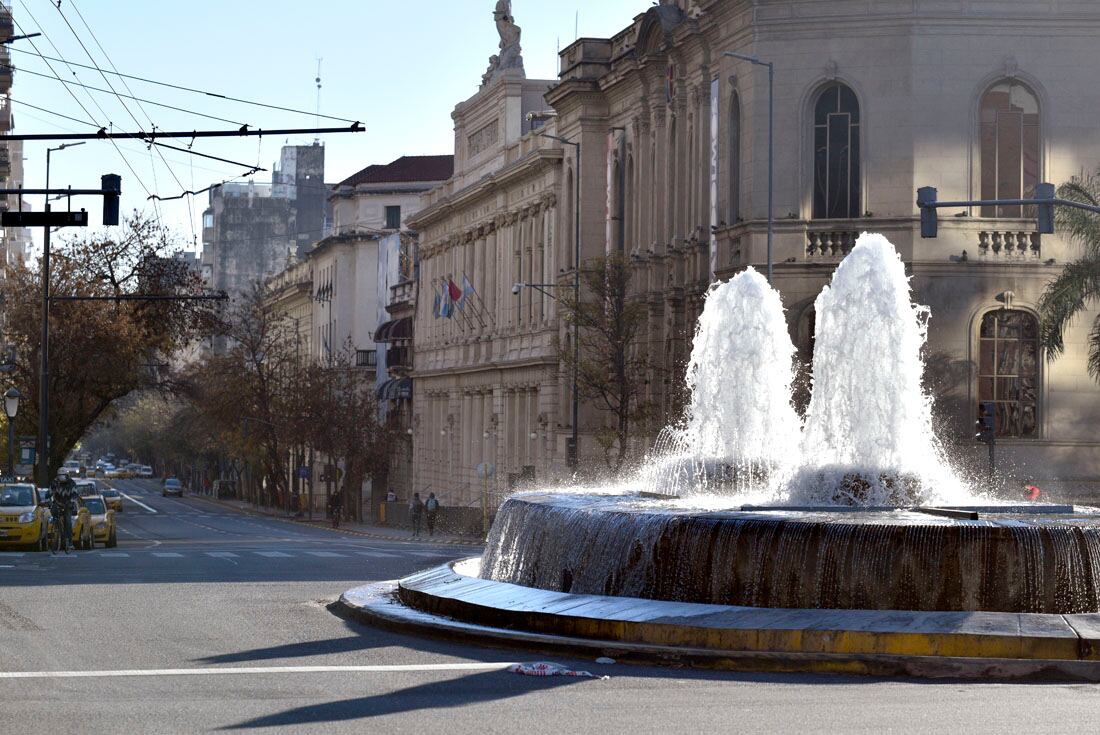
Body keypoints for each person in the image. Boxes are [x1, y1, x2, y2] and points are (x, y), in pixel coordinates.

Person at [50, 475, 76, 554]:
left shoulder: (71, 483)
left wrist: (71, 501)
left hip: (67, 504)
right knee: (53, 511)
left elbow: (75, 494)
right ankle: (56, 525)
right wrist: (48, 499)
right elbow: (49, 492)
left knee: (67, 521)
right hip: (57, 503)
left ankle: (70, 542)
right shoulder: (54, 483)